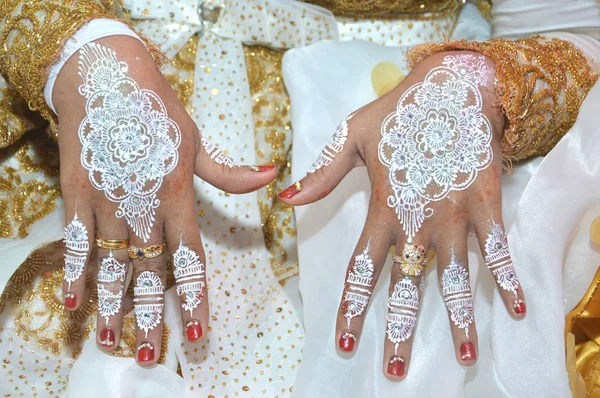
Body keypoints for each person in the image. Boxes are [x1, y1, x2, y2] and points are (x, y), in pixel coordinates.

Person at [0, 1, 598, 397]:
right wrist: (87, 54)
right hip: (78, 132)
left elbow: (580, 25)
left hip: (376, 143)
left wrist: (482, 85)